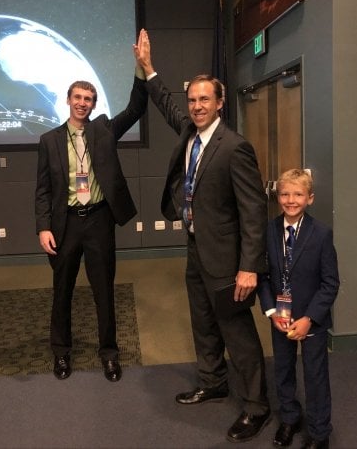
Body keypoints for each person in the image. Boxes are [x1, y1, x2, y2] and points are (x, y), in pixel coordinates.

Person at [134, 29, 270, 443]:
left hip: (228, 260)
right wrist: (149, 70)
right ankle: (212, 380)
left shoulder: (234, 147)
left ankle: (256, 406)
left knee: (237, 332)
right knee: (203, 322)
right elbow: (167, 105)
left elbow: (253, 211)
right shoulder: (191, 133)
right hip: (196, 247)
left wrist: (249, 267)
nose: (196, 106)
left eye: (204, 99)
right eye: (193, 100)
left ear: (220, 102)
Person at [35, 35, 148, 382]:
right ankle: (61, 353)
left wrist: (141, 68)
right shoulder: (50, 140)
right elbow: (42, 189)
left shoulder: (104, 130)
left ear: (94, 103)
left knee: (104, 291)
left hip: (98, 220)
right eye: (78, 97)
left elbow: (135, 108)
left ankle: (109, 354)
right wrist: (43, 227)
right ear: (68, 101)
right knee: (62, 292)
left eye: (89, 98)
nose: (83, 103)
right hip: (65, 224)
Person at [258, 169, 339, 449]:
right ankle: (290, 418)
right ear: (277, 196)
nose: (290, 200)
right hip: (280, 317)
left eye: (298, 194)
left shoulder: (321, 234)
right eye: (285, 194)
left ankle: (319, 432)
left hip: (310, 320)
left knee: (315, 376)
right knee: (283, 370)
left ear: (310, 198)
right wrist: (271, 312)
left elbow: (330, 283)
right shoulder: (268, 230)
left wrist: (309, 318)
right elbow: (264, 276)